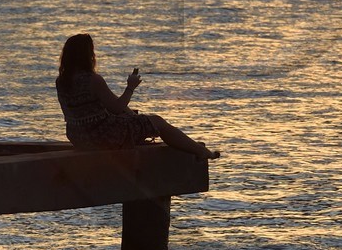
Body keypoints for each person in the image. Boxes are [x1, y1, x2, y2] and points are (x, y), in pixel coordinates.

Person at [55, 33, 220, 160]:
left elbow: (86, 111)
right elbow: (117, 107)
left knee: (131, 115)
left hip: (79, 137)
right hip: (102, 136)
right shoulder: (93, 79)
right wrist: (130, 87)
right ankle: (201, 151)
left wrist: (128, 114)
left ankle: (190, 146)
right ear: (87, 56)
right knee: (157, 121)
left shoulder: (61, 81)